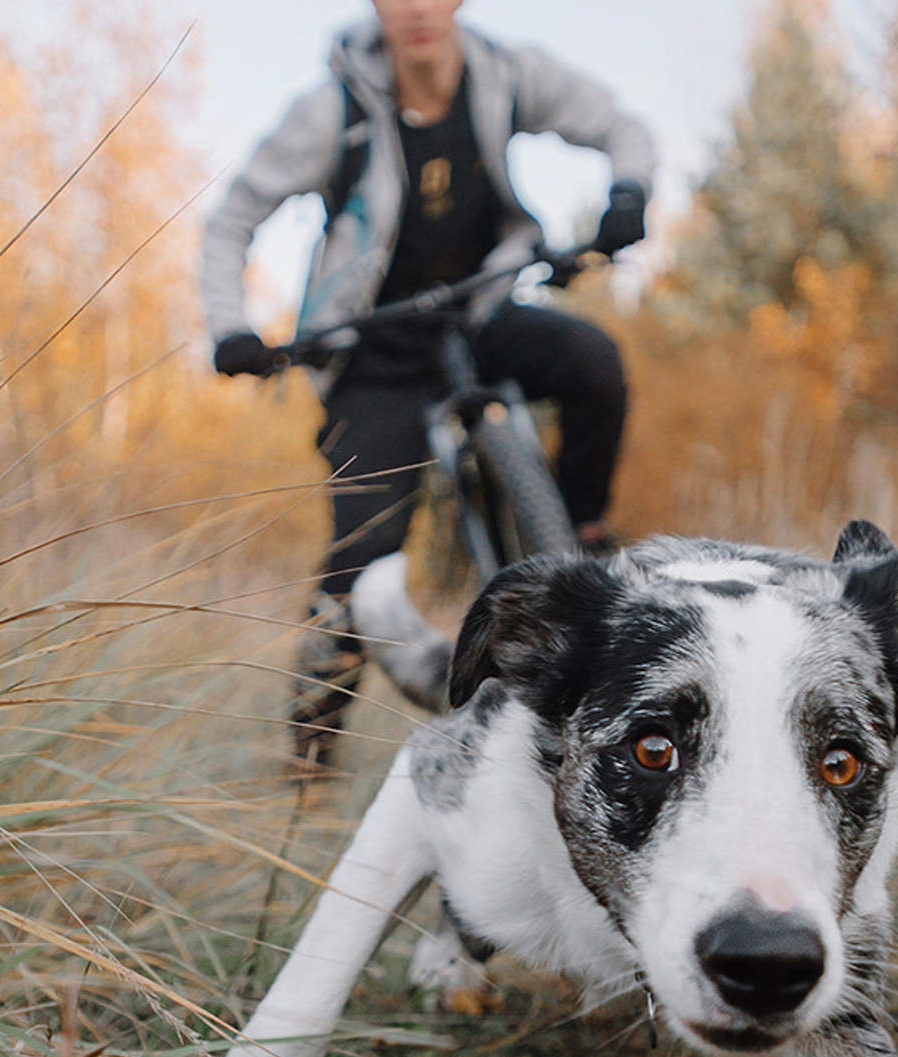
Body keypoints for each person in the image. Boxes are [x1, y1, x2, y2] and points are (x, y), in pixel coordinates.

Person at [201, 0, 654, 771]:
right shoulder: (332, 109)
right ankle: (311, 751)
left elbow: (621, 126)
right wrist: (229, 327)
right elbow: (232, 217)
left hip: (477, 312)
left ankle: (577, 534)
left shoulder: (507, 74)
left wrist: (628, 194)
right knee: (362, 556)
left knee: (592, 364)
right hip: (373, 346)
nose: (416, 8)